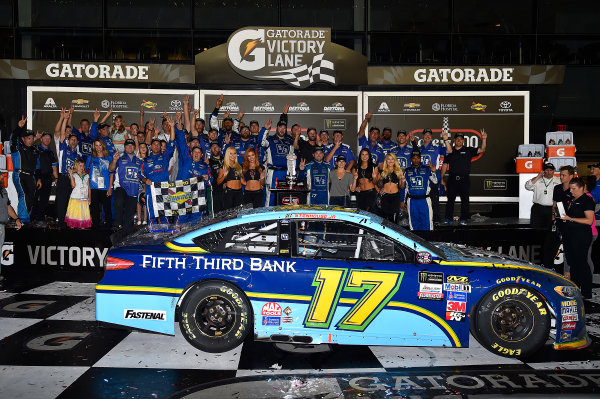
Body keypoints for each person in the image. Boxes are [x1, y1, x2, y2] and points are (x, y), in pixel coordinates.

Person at [440, 130, 486, 225]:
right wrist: (441, 178)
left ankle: (464, 219)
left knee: (465, 200)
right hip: (452, 179)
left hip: (464, 179)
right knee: (450, 200)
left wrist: (484, 139)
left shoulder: (468, 150)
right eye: (457, 139)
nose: (459, 140)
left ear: (463, 141)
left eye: (461, 139)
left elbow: (482, 149)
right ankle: (448, 218)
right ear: (454, 140)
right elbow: (444, 165)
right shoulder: (450, 151)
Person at [560, 177, 595, 299]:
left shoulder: (587, 200)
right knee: (572, 262)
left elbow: (589, 220)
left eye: (574, 189)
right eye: (570, 188)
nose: (571, 191)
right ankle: (576, 289)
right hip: (570, 235)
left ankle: (586, 292)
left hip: (581, 236)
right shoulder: (573, 200)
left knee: (581, 262)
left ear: (582, 188)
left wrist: (570, 219)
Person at [140, 116, 176, 225]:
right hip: (150, 191)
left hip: (164, 189)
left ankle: (165, 235)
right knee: (151, 216)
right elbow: (139, 174)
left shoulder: (165, 157)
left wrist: (172, 127)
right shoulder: (145, 160)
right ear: (150, 146)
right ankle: (152, 235)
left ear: (161, 147)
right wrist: (145, 180)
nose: (156, 146)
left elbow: (172, 141)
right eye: (154, 144)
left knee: (164, 214)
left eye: (158, 145)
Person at [10, 116, 40, 224]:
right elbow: (13, 138)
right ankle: (22, 220)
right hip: (19, 175)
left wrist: (39, 178)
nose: (31, 140)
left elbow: (38, 166)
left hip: (31, 176)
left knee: (31, 197)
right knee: (24, 195)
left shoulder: (35, 150)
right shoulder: (17, 148)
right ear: (23, 139)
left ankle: (27, 220)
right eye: (28, 138)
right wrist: (18, 127)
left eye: (32, 138)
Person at [109, 139, 142, 229]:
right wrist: (114, 161)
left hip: (133, 189)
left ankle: (126, 231)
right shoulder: (119, 158)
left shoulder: (139, 161)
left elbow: (142, 175)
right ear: (124, 147)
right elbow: (111, 169)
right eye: (128, 145)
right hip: (121, 186)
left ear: (134, 147)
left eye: (132, 145)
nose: (130, 147)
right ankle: (117, 224)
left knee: (129, 214)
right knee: (118, 201)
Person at [402, 150, 438, 231]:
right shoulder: (407, 171)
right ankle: (415, 243)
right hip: (412, 202)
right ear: (411, 159)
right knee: (414, 225)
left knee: (427, 224)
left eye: (418, 158)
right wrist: (402, 200)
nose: (416, 160)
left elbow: (435, 181)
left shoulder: (427, 169)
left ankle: (427, 242)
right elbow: (405, 188)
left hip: (424, 201)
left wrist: (434, 171)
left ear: (420, 159)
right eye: (414, 158)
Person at [420, 128, 450, 224]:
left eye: (429, 135)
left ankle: (436, 221)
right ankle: (424, 220)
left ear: (431, 137)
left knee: (434, 200)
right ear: (423, 137)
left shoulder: (437, 147)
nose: (427, 136)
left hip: (432, 177)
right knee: (422, 200)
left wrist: (446, 139)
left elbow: (449, 151)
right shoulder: (419, 148)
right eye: (425, 134)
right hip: (421, 178)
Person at [56, 126, 82, 228]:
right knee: (61, 201)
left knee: (71, 201)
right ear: (68, 140)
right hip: (63, 177)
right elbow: (62, 134)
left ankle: (69, 222)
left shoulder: (78, 154)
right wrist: (65, 119)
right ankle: (61, 223)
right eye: (72, 139)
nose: (74, 141)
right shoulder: (63, 148)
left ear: (77, 142)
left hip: (73, 180)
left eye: (75, 140)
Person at [262, 120, 293, 206]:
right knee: (270, 196)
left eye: (284, 128)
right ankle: (267, 217)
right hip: (273, 172)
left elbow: (292, 158)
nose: (282, 130)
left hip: (285, 173)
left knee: (284, 197)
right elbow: (261, 142)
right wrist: (265, 129)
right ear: (276, 128)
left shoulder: (289, 142)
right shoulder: (270, 139)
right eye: (280, 127)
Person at [0, 173, 22, 289]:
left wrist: (16, 218)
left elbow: (8, 207)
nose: (3, 178)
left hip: (2, 226)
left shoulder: (3, 190)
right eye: (1, 176)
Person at [551, 165, 575, 272]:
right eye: (560, 175)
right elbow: (555, 204)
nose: (561, 177)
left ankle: (569, 271)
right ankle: (556, 269)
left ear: (571, 176)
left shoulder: (575, 189)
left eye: (564, 175)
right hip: (559, 221)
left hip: (571, 223)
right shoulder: (557, 188)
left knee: (570, 249)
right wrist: (553, 218)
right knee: (556, 246)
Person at [86, 139, 114, 229]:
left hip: (105, 187)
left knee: (107, 209)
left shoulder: (109, 158)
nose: (98, 148)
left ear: (103, 146)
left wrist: (110, 187)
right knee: (94, 209)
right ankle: (96, 227)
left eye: (100, 145)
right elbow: (86, 174)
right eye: (96, 145)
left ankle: (109, 227)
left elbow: (111, 174)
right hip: (93, 187)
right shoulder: (90, 158)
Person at [32, 132, 58, 226]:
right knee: (34, 198)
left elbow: (54, 166)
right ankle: (32, 218)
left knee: (44, 200)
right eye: (45, 137)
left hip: (47, 178)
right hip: (37, 177)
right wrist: (35, 138)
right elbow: (27, 144)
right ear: (41, 139)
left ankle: (40, 219)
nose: (47, 139)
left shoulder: (51, 152)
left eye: (49, 138)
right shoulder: (36, 148)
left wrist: (56, 178)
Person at [525, 162, 560, 229]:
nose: (549, 172)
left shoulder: (558, 181)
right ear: (543, 171)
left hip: (552, 208)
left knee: (551, 229)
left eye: (551, 170)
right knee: (536, 229)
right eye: (547, 170)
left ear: (554, 171)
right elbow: (527, 186)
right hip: (538, 208)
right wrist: (538, 176)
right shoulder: (537, 180)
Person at [65, 158, 92, 229]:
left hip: (84, 199)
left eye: (83, 166)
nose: (82, 168)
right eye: (80, 166)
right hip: (75, 198)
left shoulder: (86, 176)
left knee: (82, 216)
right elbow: (73, 185)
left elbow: (89, 188)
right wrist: (71, 175)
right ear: (76, 166)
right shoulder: (74, 175)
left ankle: (82, 230)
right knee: (74, 216)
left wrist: (89, 198)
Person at [378, 153, 405, 222]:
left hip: (395, 197)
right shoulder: (382, 171)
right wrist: (379, 190)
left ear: (395, 160)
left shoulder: (399, 171)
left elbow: (402, 187)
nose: (390, 161)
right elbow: (377, 184)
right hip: (385, 197)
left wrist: (402, 180)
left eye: (392, 159)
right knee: (384, 219)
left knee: (394, 221)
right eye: (388, 159)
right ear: (386, 161)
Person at [351, 148, 379, 212]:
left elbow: (375, 183)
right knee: (361, 213)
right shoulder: (356, 168)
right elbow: (353, 185)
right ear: (360, 156)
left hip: (371, 193)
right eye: (363, 154)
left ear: (369, 156)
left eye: (366, 154)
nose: (364, 156)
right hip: (360, 194)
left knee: (371, 213)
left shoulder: (374, 167)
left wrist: (374, 177)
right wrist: (356, 188)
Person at [207, 141, 224, 215]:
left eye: (216, 147)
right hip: (214, 191)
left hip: (227, 191)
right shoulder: (208, 162)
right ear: (210, 150)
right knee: (216, 214)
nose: (214, 148)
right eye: (212, 147)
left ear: (220, 149)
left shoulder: (226, 160)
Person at [136, 142, 148, 225]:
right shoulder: (136, 160)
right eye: (141, 147)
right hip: (138, 182)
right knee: (138, 201)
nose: (143, 148)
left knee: (145, 200)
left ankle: (145, 219)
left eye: (144, 147)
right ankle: (139, 219)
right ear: (138, 150)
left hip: (147, 182)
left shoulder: (150, 159)